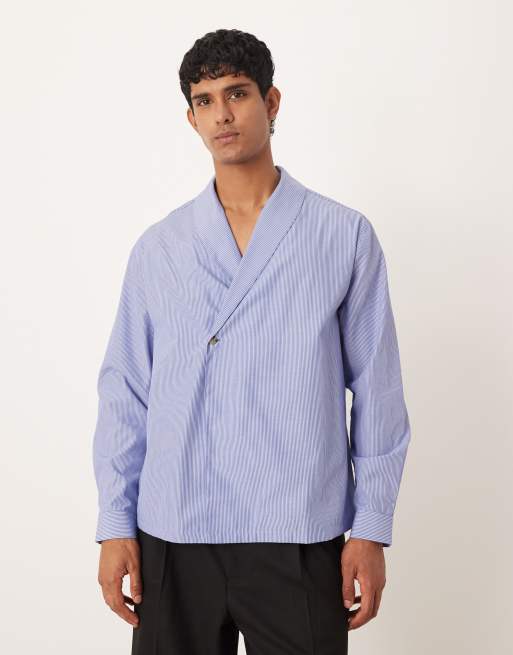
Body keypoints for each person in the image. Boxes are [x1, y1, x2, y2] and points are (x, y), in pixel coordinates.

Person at [93, 28, 411, 655]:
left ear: (271, 101)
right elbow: (125, 391)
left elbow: (378, 391)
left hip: (298, 528)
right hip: (175, 527)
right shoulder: (160, 248)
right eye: (205, 101)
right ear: (191, 118)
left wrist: (371, 527)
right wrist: (114, 522)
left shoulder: (342, 236)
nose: (222, 114)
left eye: (236, 94)